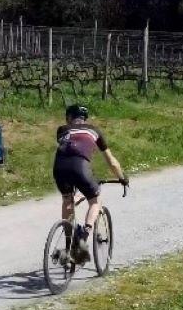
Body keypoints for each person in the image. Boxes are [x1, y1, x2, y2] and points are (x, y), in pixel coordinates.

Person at [53, 104, 128, 264]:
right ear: (85, 119)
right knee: (95, 199)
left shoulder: (62, 130)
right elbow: (112, 163)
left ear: (68, 118)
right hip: (80, 167)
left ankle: (68, 244)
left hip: (59, 168)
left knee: (68, 199)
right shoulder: (93, 130)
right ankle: (84, 236)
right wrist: (122, 178)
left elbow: (69, 149)